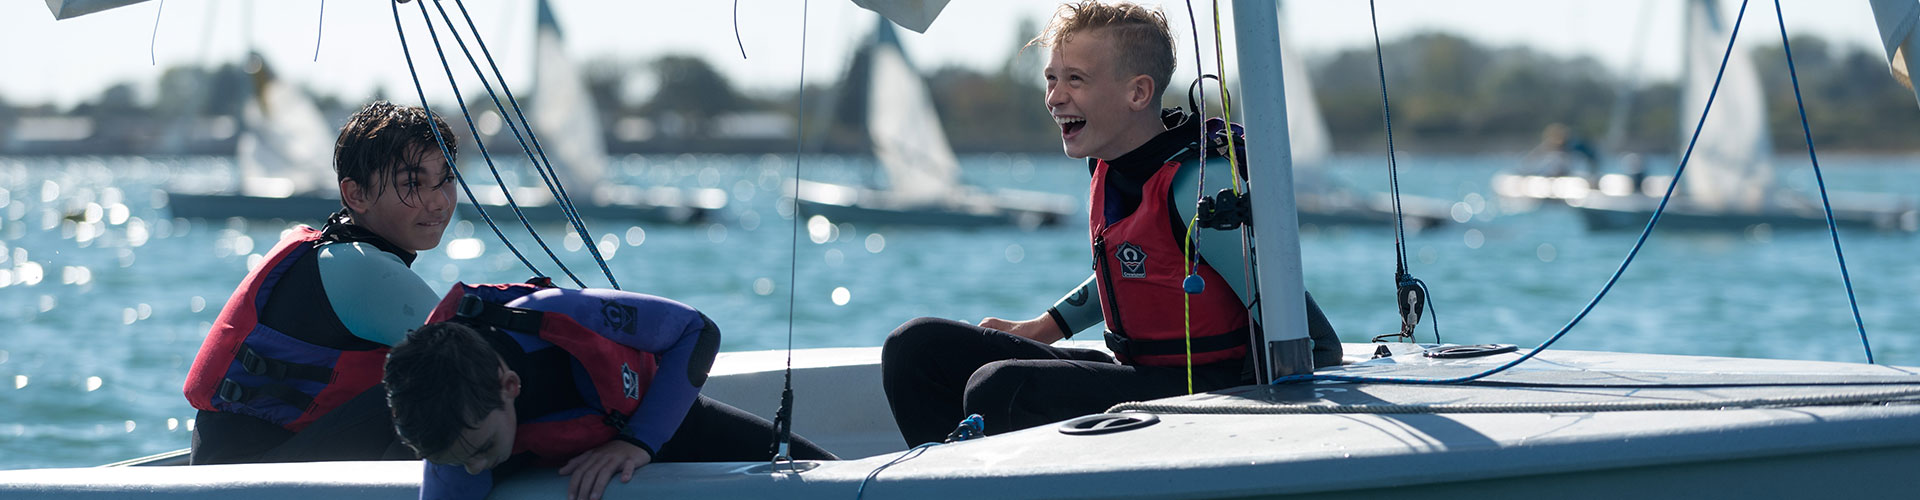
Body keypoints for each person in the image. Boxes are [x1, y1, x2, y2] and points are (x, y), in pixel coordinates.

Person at [880, 0, 1341, 447]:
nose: (1055, 98)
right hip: (1139, 374)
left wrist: (1265, 430)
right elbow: (1134, 264)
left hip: (1205, 394)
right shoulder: (1110, 167)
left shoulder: (1198, 186)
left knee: (998, 388)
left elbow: (1317, 340)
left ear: (1137, 93)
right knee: (914, 348)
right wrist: (1043, 327)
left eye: (1075, 80)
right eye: (1052, 79)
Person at [182, 101, 459, 464]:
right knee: (449, 387)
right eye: (413, 182)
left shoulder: (338, 254)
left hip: (249, 471)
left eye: (447, 179)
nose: (438, 201)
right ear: (355, 194)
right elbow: (480, 360)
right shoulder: (360, 269)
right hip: (253, 483)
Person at [385, 283, 836, 500]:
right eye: (454, 460)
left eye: (481, 449)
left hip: (659, 423)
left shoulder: (558, 314)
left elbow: (697, 330)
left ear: (510, 386)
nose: (473, 468)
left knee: (832, 481)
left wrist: (637, 441)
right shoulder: (453, 433)